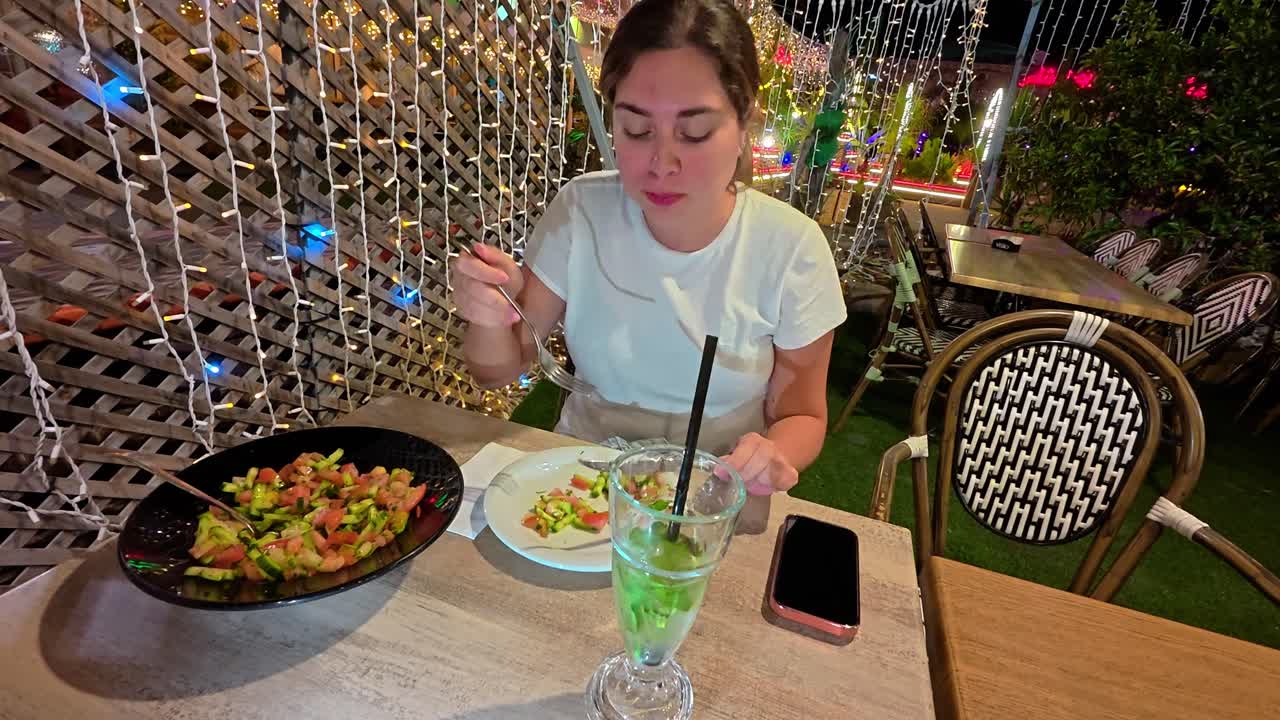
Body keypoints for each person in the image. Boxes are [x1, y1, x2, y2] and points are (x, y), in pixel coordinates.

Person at [453, 0, 846, 500]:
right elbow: (497, 370)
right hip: (584, 479)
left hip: (716, 491)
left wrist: (775, 454)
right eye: (636, 129)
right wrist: (490, 314)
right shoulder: (583, 209)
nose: (662, 162)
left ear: (745, 121)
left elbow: (803, 415)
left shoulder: (791, 246)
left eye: (696, 131)